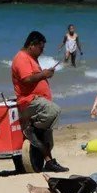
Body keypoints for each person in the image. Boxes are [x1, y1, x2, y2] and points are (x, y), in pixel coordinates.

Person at [13, 31, 66, 173]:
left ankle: (49, 161)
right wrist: (44, 74)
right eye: (40, 48)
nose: (42, 51)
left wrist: (45, 73)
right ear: (31, 45)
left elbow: (33, 77)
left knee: (48, 135)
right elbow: (26, 79)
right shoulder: (21, 58)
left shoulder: (31, 58)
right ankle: (33, 130)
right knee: (54, 111)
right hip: (28, 101)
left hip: (37, 101)